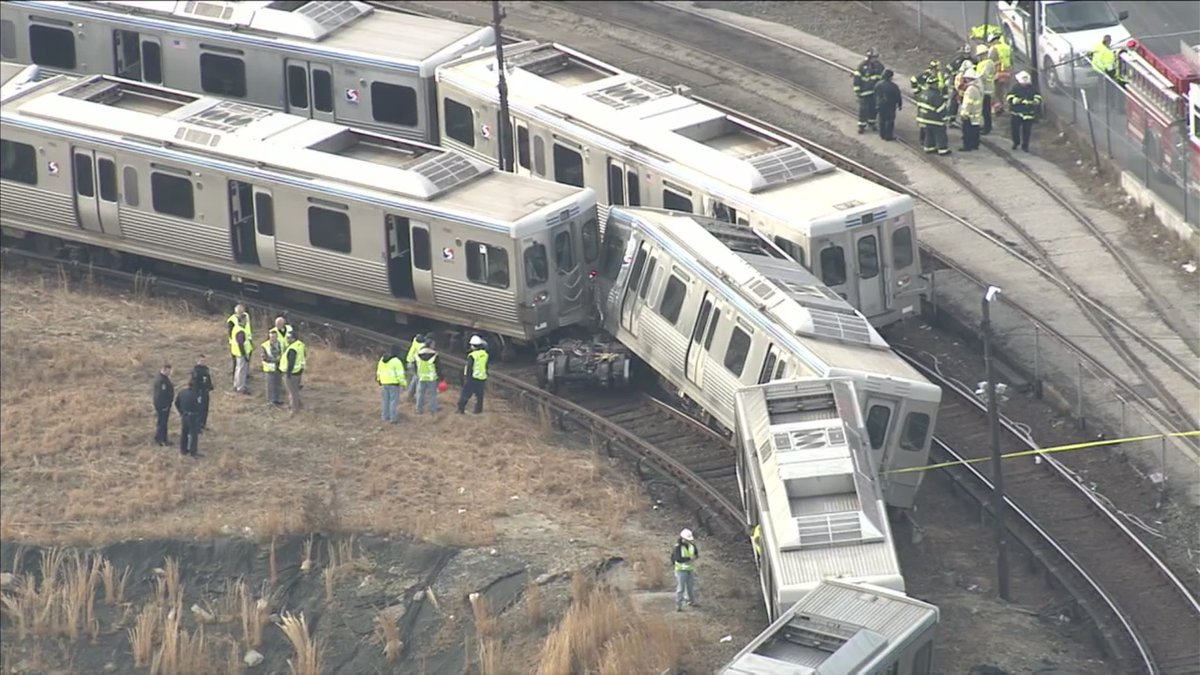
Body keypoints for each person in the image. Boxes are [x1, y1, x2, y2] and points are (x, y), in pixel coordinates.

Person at [1006, 70, 1043, 152]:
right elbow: (1009, 97)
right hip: (1016, 112)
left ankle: (1025, 145)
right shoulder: (1015, 88)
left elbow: (1038, 97)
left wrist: (1034, 101)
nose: (1024, 84)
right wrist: (1015, 100)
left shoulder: (1032, 89)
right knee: (1015, 129)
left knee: (1027, 131)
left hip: (1028, 113)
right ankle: (1016, 142)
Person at [853, 49, 885, 134]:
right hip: (864, 92)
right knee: (863, 109)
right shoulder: (862, 66)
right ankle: (861, 126)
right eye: (873, 58)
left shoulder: (880, 67)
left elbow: (882, 79)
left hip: (874, 93)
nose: (875, 59)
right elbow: (857, 78)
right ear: (869, 57)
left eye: (876, 57)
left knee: (873, 109)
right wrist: (857, 90)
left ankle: (872, 123)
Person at [456, 335, 489, 415]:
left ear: (473, 346)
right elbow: (486, 366)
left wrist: (466, 378)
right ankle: (478, 410)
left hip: (472, 378)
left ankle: (461, 409)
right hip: (482, 377)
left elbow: (469, 368)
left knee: (466, 393)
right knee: (479, 396)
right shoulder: (485, 354)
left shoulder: (472, 356)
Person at [917, 84, 951, 156]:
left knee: (929, 133)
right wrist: (945, 119)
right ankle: (942, 149)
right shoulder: (936, 96)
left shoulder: (923, 93)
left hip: (923, 119)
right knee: (940, 134)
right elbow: (941, 109)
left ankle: (929, 147)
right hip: (935, 120)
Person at [671, 529, 699, 611]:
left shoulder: (692, 546)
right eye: (687, 540)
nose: (689, 541)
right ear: (683, 539)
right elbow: (678, 559)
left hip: (690, 569)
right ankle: (678, 605)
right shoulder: (678, 547)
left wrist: (695, 557)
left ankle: (692, 601)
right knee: (681, 588)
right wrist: (690, 559)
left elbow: (696, 554)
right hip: (680, 571)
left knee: (690, 587)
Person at [377, 345, 406, 423]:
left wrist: (379, 380)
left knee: (385, 401)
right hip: (394, 384)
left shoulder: (382, 359)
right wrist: (403, 384)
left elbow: (379, 371)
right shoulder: (397, 361)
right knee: (393, 402)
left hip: (384, 383)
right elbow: (400, 375)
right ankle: (393, 419)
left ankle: (384, 417)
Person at [282, 329, 306, 414]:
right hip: (298, 372)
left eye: (289, 338)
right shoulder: (300, 345)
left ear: (293, 339)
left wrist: (288, 373)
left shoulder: (292, 348)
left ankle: (294, 409)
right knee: (295, 390)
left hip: (292, 373)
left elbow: (291, 362)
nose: (287, 340)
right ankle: (299, 405)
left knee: (292, 392)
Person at [174, 381, 201, 457]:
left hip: (184, 415)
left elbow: (176, 403)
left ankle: (183, 450)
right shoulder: (196, 395)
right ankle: (193, 452)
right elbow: (199, 406)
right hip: (193, 416)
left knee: (184, 432)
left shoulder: (182, 393)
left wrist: (181, 412)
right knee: (193, 434)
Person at [959, 69, 984, 151]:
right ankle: (975, 145)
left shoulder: (970, 89)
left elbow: (968, 103)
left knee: (967, 131)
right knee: (975, 130)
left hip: (969, 114)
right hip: (976, 114)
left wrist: (964, 113)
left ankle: (967, 146)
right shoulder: (978, 87)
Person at [414, 340, 441, 415]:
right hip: (431, 378)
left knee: (420, 394)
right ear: (431, 345)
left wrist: (417, 374)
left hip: (421, 377)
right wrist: (441, 377)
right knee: (432, 394)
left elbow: (415, 366)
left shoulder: (417, 354)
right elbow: (438, 367)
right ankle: (433, 410)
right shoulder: (435, 355)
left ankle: (419, 410)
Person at [873, 69, 902, 141]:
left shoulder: (878, 84)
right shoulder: (893, 86)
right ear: (890, 77)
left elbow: (875, 94)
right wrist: (899, 105)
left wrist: (876, 103)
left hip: (880, 105)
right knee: (890, 120)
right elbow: (898, 96)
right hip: (890, 105)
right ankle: (888, 136)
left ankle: (882, 134)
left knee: (881, 119)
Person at [975, 44, 996, 135]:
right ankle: (986, 126)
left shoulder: (988, 63)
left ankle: (987, 127)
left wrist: (974, 78)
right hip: (982, 88)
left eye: (980, 55)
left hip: (987, 89)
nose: (979, 57)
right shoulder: (982, 63)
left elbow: (983, 75)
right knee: (984, 110)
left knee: (986, 110)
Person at [189, 356, 214, 431]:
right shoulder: (195, 370)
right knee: (199, 409)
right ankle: (198, 425)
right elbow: (194, 381)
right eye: (201, 360)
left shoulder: (206, 369)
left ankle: (203, 424)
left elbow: (208, 378)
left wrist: (210, 386)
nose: (203, 362)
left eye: (204, 360)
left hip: (205, 391)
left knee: (205, 409)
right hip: (198, 391)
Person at [260, 328, 284, 406]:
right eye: (271, 337)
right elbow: (264, 357)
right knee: (270, 386)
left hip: (279, 367)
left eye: (274, 337)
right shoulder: (264, 345)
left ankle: (277, 400)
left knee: (278, 384)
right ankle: (270, 401)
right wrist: (274, 360)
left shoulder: (280, 344)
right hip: (269, 368)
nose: (273, 338)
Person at [230, 313, 252, 394]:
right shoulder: (240, 331)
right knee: (241, 370)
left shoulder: (237, 328)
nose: (246, 321)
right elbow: (241, 344)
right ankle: (241, 387)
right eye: (245, 320)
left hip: (237, 352)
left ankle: (236, 385)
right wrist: (244, 355)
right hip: (241, 353)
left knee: (238, 369)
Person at [152, 364, 174, 446]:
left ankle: (162, 438)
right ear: (164, 369)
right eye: (168, 371)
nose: (170, 373)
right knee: (162, 423)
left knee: (163, 422)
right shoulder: (161, 381)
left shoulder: (163, 379)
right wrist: (164, 406)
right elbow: (160, 395)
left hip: (165, 405)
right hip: (162, 405)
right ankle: (160, 439)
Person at [225, 304, 250, 377]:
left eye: (242, 312)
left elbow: (248, 327)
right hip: (236, 344)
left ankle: (245, 374)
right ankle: (235, 376)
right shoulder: (231, 320)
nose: (241, 314)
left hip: (247, 342)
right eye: (240, 313)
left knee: (246, 361)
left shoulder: (246, 316)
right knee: (236, 362)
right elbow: (230, 333)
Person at [404, 333, 426, 402]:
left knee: (414, 378)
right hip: (414, 364)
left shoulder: (415, 341)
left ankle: (410, 395)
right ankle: (416, 397)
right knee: (418, 381)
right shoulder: (422, 346)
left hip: (409, 361)